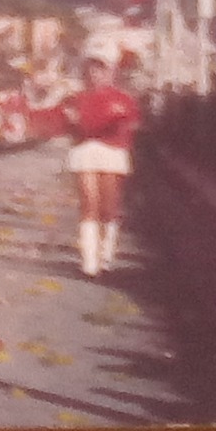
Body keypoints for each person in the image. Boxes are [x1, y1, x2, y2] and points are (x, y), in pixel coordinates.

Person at [62, 45, 141, 276]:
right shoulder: (75, 99)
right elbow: (68, 126)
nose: (96, 74)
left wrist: (119, 126)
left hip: (113, 153)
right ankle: (89, 259)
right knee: (89, 203)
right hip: (85, 151)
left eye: (101, 69)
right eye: (91, 69)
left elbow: (131, 125)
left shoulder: (124, 100)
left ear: (111, 72)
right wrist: (72, 122)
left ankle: (106, 253)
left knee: (109, 207)